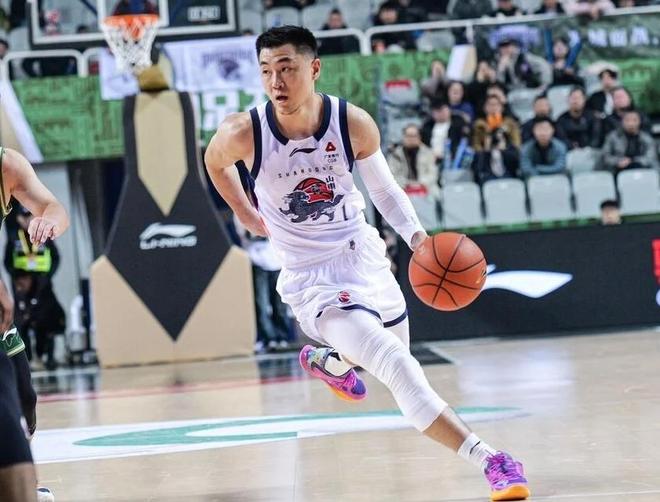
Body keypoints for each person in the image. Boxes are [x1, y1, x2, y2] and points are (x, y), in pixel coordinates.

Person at [205, 26, 530, 501]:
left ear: (314, 68)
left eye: (287, 68)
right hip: (313, 281)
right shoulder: (244, 132)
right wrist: (243, 211)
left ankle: (332, 362)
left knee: (394, 359)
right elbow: (214, 163)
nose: (276, 81)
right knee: (398, 368)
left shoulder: (351, 122)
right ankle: (493, 460)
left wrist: (418, 239)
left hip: (364, 258)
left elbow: (384, 190)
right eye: (267, 71)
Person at [0, 147, 69, 502]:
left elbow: (53, 207)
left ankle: (22, 481)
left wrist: (50, 220)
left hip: (2, 318)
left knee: (25, 397)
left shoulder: (7, 165)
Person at [4, 205, 65, 370]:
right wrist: (17, 278)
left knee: (46, 319)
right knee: (22, 321)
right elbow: (7, 262)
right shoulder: (14, 238)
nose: (27, 220)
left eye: (30, 216)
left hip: (42, 285)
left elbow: (56, 257)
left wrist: (48, 276)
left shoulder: (44, 236)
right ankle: (27, 359)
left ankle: (48, 357)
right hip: (22, 286)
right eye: (24, 217)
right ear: (18, 219)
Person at [601, 109, 659, 175]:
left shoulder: (646, 138)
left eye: (634, 120)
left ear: (639, 122)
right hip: (618, 169)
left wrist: (632, 161)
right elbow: (605, 156)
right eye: (627, 120)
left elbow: (651, 157)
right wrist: (618, 161)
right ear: (622, 121)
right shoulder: (612, 137)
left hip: (642, 169)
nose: (631, 123)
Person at [387, 124, 439, 196]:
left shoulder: (428, 153)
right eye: (408, 136)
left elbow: (433, 173)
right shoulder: (395, 155)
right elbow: (392, 174)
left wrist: (420, 184)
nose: (411, 139)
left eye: (414, 136)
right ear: (403, 137)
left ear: (419, 137)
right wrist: (407, 184)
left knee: (435, 193)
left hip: (425, 188)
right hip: (402, 188)